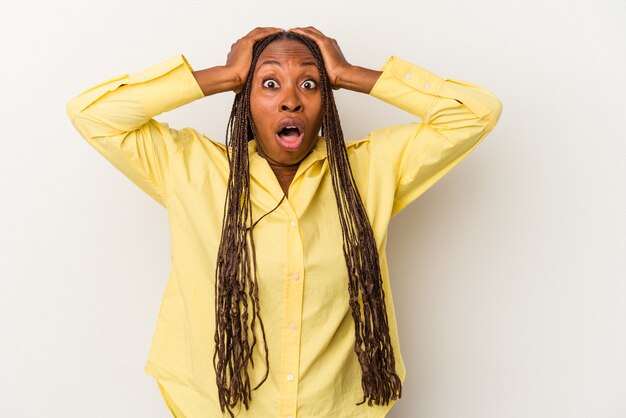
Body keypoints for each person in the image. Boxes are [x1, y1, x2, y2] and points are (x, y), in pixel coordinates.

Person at [66, 26, 502, 418]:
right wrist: (223, 74)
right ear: (246, 99)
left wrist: (350, 74)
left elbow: (476, 113)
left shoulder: (372, 170)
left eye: (309, 84)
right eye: (269, 83)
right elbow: (93, 115)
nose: (290, 98)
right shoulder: (188, 167)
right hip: (214, 408)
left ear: (326, 99)